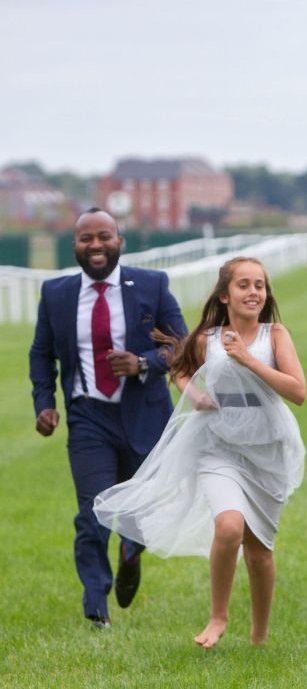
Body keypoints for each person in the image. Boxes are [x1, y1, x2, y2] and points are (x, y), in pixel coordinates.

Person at [93, 256, 307, 648]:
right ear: (225, 294)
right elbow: (179, 368)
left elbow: (298, 391)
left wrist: (246, 359)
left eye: (259, 285)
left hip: (267, 448)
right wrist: (193, 393)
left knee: (260, 552)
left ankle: (259, 636)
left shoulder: (275, 334)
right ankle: (218, 617)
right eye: (243, 285)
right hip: (217, 446)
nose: (253, 292)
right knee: (229, 525)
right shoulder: (207, 338)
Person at [28, 208, 187, 629]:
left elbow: (181, 344)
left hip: (145, 414)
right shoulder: (56, 293)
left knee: (140, 507)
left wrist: (143, 363)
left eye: (104, 237)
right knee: (92, 511)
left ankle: (131, 551)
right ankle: (96, 605)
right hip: (88, 417)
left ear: (120, 242)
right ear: (75, 245)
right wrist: (45, 403)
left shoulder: (152, 286)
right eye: (85, 239)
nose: (95, 245)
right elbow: (41, 355)